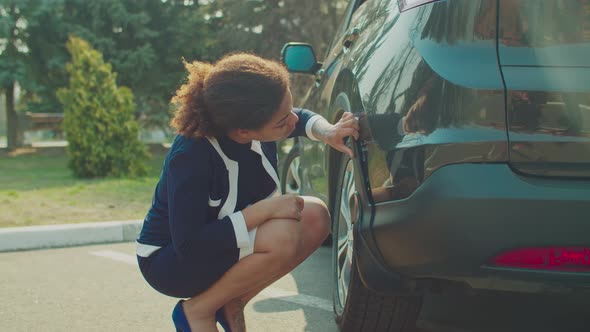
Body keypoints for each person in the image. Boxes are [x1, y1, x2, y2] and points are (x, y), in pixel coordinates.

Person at [136, 53, 359, 332]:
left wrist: (328, 131)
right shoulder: (191, 155)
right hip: (171, 263)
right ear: (243, 131)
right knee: (282, 235)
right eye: (281, 122)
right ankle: (198, 311)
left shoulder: (251, 118)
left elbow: (298, 118)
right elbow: (190, 245)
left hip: (216, 245)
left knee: (315, 216)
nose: (291, 121)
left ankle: (232, 302)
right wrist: (267, 209)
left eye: (289, 108)